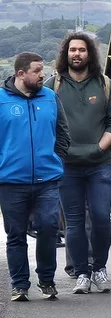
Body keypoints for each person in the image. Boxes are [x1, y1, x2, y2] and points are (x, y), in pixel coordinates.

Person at [46, 32, 111, 294]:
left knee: (101, 217)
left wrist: (99, 147)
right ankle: (81, 272)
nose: (76, 54)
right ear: (65, 54)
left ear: (90, 53)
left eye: (81, 50)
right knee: (75, 222)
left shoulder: (105, 84)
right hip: (66, 166)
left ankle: (99, 268)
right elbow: (45, 123)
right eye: (72, 50)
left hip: (99, 164)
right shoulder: (52, 85)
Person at [1, 53, 70, 301]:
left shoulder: (50, 98)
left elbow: (63, 135)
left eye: (43, 70)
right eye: (37, 70)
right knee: (16, 234)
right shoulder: (1, 100)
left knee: (49, 227)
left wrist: (56, 161)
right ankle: (20, 285)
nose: (43, 75)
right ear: (21, 74)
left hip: (47, 181)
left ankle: (47, 279)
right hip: (10, 182)